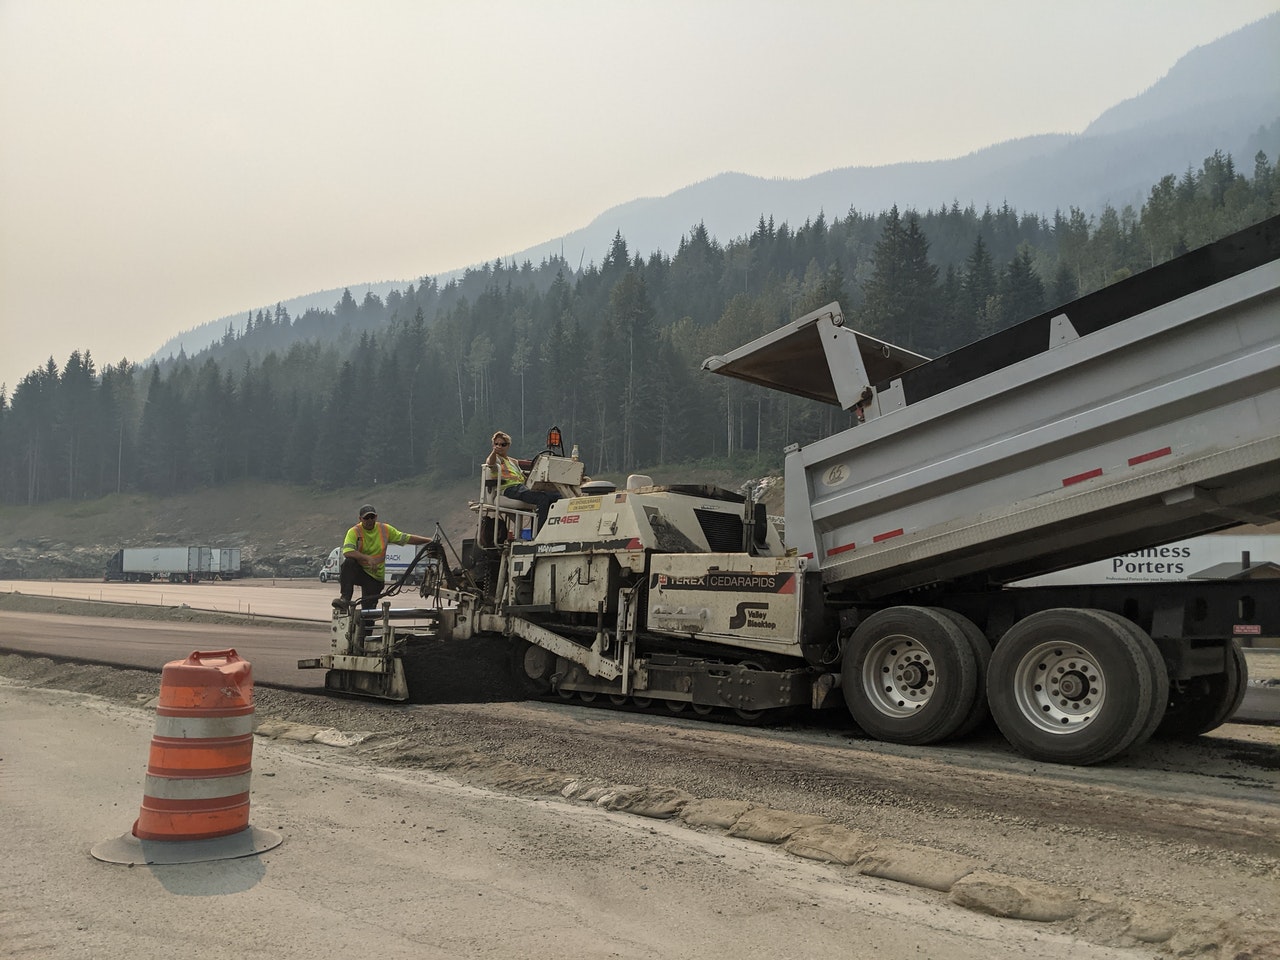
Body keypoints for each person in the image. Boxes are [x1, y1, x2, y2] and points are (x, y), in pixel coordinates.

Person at [336, 504, 433, 611]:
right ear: (360, 519)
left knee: (368, 613)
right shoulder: (354, 531)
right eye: (366, 518)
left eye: (372, 517)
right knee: (348, 563)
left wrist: (428, 540)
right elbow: (348, 552)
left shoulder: (384, 529)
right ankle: (345, 599)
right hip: (361, 572)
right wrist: (367, 558)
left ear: (376, 517)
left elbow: (406, 538)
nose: (369, 520)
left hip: (375, 577)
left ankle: (366, 624)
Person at [486, 430, 561, 529]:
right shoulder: (497, 459)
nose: (499, 446)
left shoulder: (513, 462)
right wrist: (494, 452)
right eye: (496, 444)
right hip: (510, 489)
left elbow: (524, 478)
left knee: (557, 496)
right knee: (542, 499)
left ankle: (552, 530)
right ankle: (540, 534)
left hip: (521, 488)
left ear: (508, 446)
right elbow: (490, 463)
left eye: (503, 444)